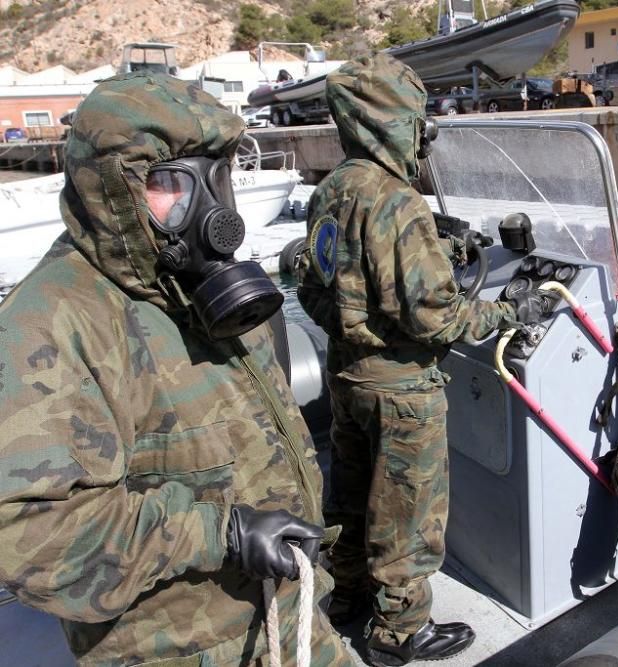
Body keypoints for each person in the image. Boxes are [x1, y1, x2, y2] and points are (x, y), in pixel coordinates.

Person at [0, 72, 353, 666]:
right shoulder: (52, 322)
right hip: (180, 647)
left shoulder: (193, 289)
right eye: (170, 183)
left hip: (284, 613)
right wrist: (223, 533)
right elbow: (32, 538)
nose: (212, 209)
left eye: (219, 176)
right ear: (112, 191)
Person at [297, 53, 534, 666]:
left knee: (349, 496)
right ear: (395, 121)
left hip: (348, 375)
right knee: (407, 513)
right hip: (403, 388)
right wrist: (509, 314)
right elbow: (438, 318)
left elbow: (315, 285)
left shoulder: (332, 189)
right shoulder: (399, 204)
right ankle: (399, 632)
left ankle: (344, 597)